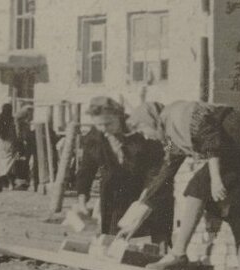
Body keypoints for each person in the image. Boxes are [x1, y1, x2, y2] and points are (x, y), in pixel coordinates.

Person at [131, 101, 240, 270]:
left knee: (196, 188)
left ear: (150, 120)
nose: (146, 137)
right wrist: (144, 202)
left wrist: (215, 179)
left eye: (142, 129)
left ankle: (178, 254)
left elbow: (210, 141)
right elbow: (168, 169)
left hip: (237, 138)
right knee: (238, 214)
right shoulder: (171, 136)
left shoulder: (178, 116)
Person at [73, 96, 170, 242]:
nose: (104, 130)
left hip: (142, 187)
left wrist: (146, 197)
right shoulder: (94, 137)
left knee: (145, 230)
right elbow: (86, 169)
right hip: (112, 191)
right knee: (112, 235)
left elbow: (155, 168)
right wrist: (82, 199)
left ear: (119, 116)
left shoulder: (140, 130)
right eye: (99, 125)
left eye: (109, 124)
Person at [0, 103, 21, 193]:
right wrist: (19, 142)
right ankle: (10, 184)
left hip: (0, 144)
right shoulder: (13, 120)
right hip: (10, 144)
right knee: (9, 165)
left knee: (0, 165)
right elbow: (18, 133)